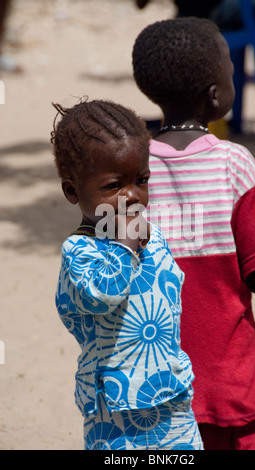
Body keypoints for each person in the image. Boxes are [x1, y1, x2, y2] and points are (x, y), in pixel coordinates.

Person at [132, 17, 255, 450]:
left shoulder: (132, 172)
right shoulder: (235, 164)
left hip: (151, 381)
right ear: (215, 95)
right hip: (229, 377)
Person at [51, 98, 203, 450]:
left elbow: (171, 294)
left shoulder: (152, 236)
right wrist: (122, 246)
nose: (132, 195)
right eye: (113, 186)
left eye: (141, 180)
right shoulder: (81, 251)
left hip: (170, 396)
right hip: (114, 409)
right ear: (73, 191)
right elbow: (102, 295)